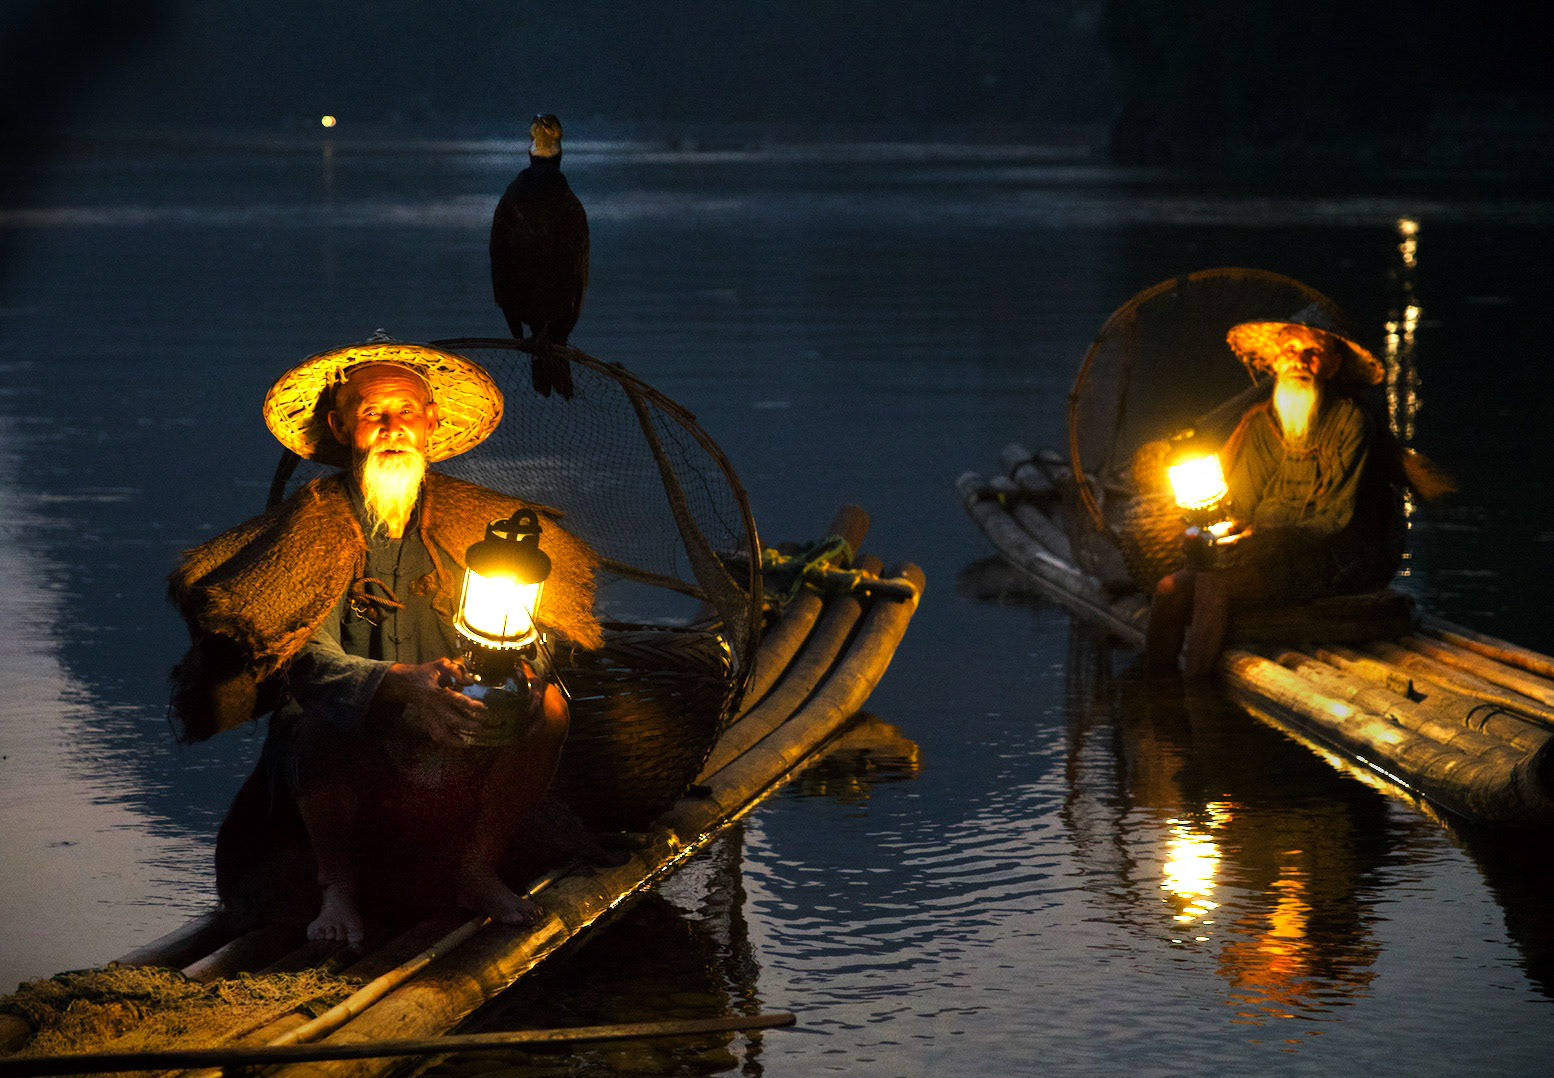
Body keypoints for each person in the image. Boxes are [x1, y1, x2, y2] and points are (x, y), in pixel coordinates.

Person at [168, 340, 604, 945]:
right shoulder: (311, 526)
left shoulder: (478, 522)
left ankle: (475, 868)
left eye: (405, 413)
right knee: (314, 721)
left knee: (548, 706)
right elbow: (299, 660)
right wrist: (396, 685)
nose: (392, 428)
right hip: (347, 730)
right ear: (342, 426)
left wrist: (514, 680)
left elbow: (532, 632)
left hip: (455, 717)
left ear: (431, 424)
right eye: (373, 414)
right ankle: (336, 884)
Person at [1144, 305, 1420, 679]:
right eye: (1290, 351)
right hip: (1264, 553)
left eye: (1313, 353)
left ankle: (1195, 692)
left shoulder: (1352, 424)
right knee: (1169, 587)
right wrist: (1223, 533)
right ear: (1276, 362)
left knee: (1215, 584)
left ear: (1333, 366)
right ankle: (1155, 689)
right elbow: (1240, 504)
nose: (1299, 361)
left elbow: (1335, 521)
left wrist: (1267, 538)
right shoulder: (1261, 423)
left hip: (1336, 562)